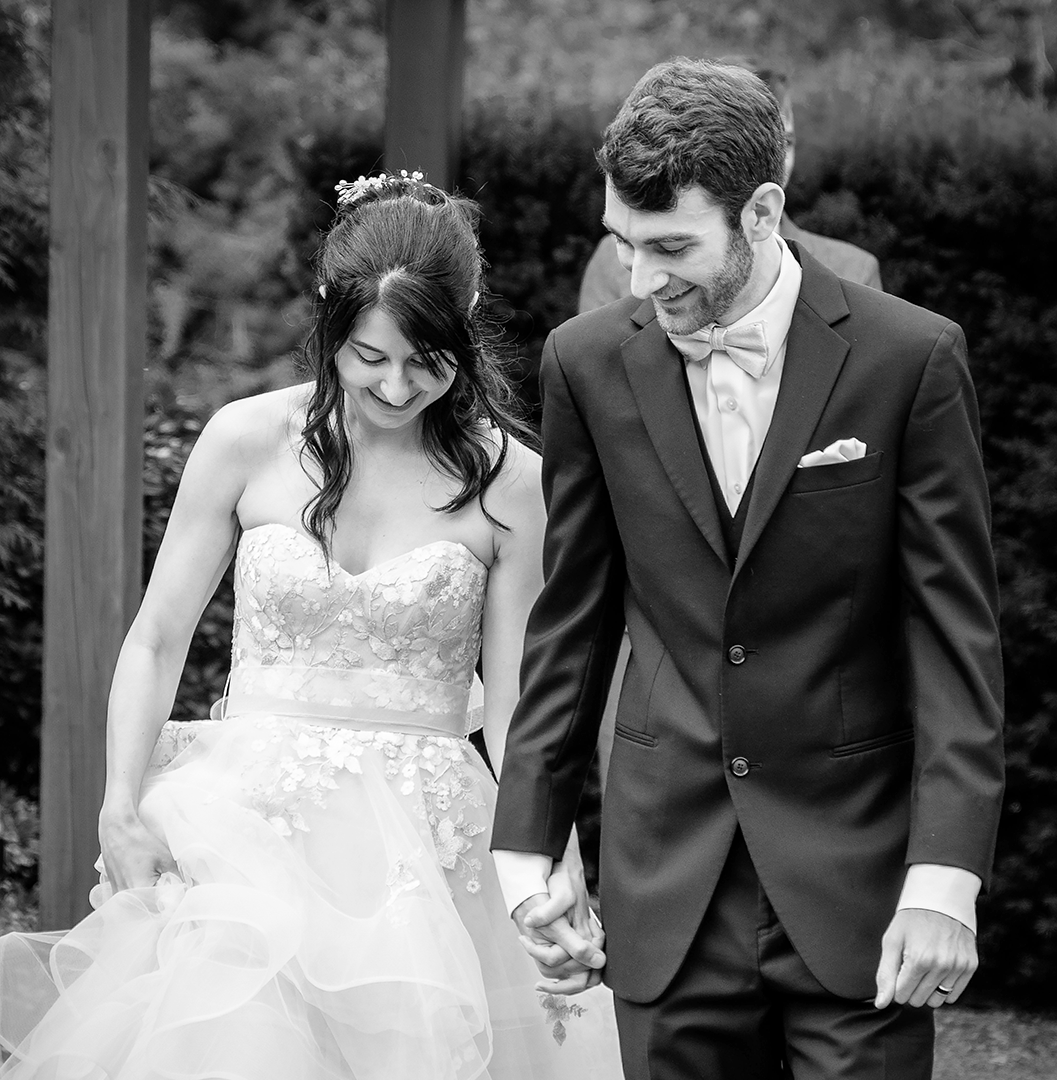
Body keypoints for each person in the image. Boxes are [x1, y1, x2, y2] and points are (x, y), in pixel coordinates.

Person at [0, 172, 622, 1080]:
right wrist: (119, 806)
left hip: (425, 851)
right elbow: (157, 637)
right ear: (331, 322)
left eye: (427, 360)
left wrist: (553, 865)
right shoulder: (243, 441)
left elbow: (524, 700)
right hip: (245, 832)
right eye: (369, 356)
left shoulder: (513, 485)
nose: (398, 386)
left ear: (471, 320)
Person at [491, 59, 1005, 1080]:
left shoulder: (911, 360)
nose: (643, 280)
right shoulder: (586, 364)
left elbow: (953, 635)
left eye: (673, 246)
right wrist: (530, 855)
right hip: (665, 884)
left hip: (858, 888)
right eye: (624, 246)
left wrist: (945, 875)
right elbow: (571, 626)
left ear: (764, 210)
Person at [577, 59, 882, 315]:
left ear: (762, 212)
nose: (641, 286)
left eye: (785, 142)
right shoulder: (609, 264)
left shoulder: (850, 271)